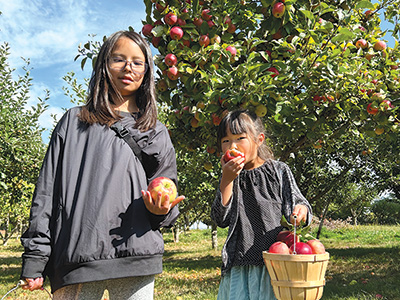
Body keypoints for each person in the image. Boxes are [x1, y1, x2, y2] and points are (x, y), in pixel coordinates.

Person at [20, 30, 184, 299]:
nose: (128, 67)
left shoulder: (155, 131)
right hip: (78, 260)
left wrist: (160, 210)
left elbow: (167, 195)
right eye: (118, 59)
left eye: (137, 61)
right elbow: (46, 194)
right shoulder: (74, 122)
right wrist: (35, 258)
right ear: (103, 65)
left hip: (136, 257)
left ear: (147, 72)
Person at [211, 109, 312, 300]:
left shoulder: (278, 171)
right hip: (240, 264)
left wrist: (302, 211)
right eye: (226, 141)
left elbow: (298, 201)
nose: (233, 145)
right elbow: (220, 218)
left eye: (240, 138)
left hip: (274, 265)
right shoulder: (231, 175)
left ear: (259, 139)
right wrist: (226, 181)